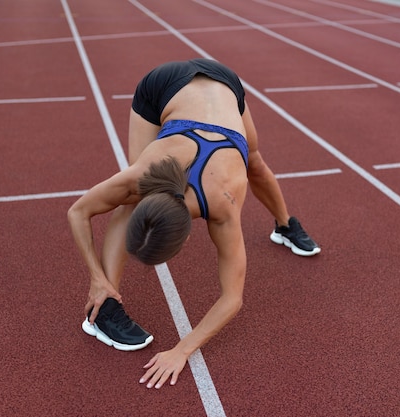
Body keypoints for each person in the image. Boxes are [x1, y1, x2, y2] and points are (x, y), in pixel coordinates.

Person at [67, 58, 320, 390]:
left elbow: (232, 298)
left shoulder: (225, 206)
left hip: (223, 83)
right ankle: (105, 307)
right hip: (167, 90)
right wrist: (96, 279)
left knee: (255, 163)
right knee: (126, 202)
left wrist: (182, 350)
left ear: (187, 240)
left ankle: (284, 225)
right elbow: (77, 212)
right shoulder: (142, 175)